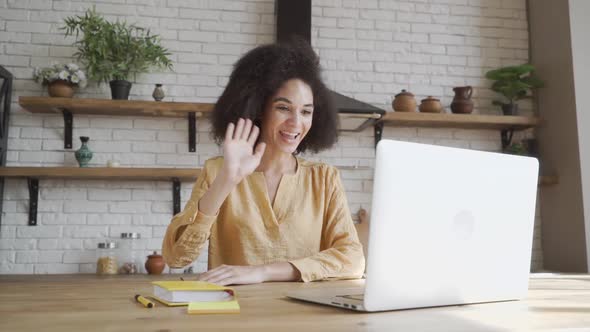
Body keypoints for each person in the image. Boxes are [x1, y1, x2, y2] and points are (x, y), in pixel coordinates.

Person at [162, 39, 365, 286]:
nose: (296, 122)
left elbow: (353, 259)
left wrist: (264, 271)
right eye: (283, 108)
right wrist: (227, 180)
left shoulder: (324, 178)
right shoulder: (218, 171)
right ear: (259, 108)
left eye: (306, 112)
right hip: (236, 315)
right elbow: (176, 257)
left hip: (306, 318)